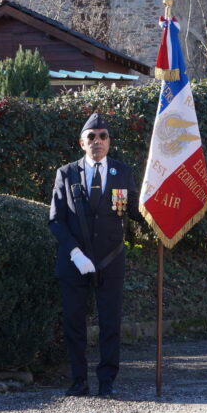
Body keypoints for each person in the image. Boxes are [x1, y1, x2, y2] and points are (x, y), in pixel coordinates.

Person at [49, 113, 143, 397]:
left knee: (110, 322)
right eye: (91, 137)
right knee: (74, 322)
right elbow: (56, 219)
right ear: (82, 143)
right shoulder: (66, 173)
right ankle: (78, 380)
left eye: (103, 136)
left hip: (110, 259)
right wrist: (75, 253)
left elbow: (136, 211)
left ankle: (107, 382)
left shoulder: (122, 173)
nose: (97, 141)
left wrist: (161, 211)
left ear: (109, 141)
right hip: (75, 261)